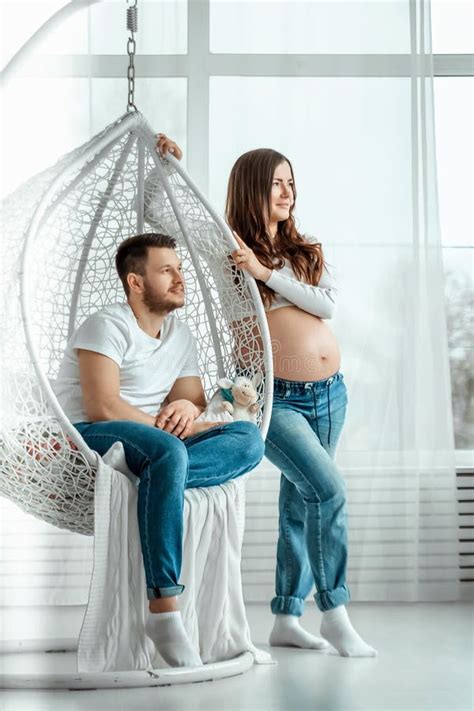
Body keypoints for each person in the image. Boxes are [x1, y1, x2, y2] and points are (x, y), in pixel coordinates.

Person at [156, 134, 377, 657]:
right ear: (253, 188)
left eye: (291, 183)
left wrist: (267, 273)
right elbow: (163, 217)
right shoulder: (225, 248)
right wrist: (164, 165)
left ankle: (285, 615)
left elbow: (327, 307)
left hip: (330, 395)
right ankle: (336, 613)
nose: (287, 192)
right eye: (276, 183)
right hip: (271, 397)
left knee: (303, 501)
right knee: (328, 490)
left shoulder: (302, 251)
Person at [53, 232, 265, 668]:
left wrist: (188, 406)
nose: (179, 278)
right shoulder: (107, 325)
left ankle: (158, 480)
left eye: (180, 268)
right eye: (166, 270)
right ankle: (165, 611)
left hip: (154, 442)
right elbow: (103, 405)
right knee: (168, 452)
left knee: (248, 440)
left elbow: (190, 401)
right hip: (88, 434)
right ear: (135, 281)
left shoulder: (179, 335)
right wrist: (170, 437)